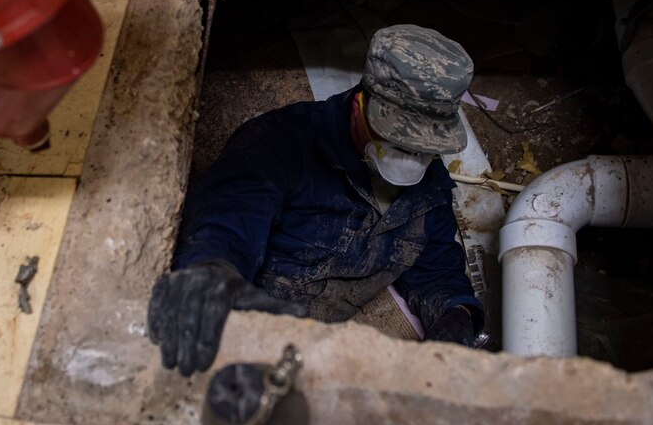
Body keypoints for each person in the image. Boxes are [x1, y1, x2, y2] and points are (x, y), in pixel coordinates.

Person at [147, 24, 484, 376]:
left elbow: (438, 271)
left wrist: (457, 315)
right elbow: (226, 228)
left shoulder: (430, 186)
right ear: (359, 106)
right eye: (397, 140)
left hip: (336, 336)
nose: (411, 160)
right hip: (261, 325)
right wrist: (212, 273)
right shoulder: (276, 148)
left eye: (424, 149)